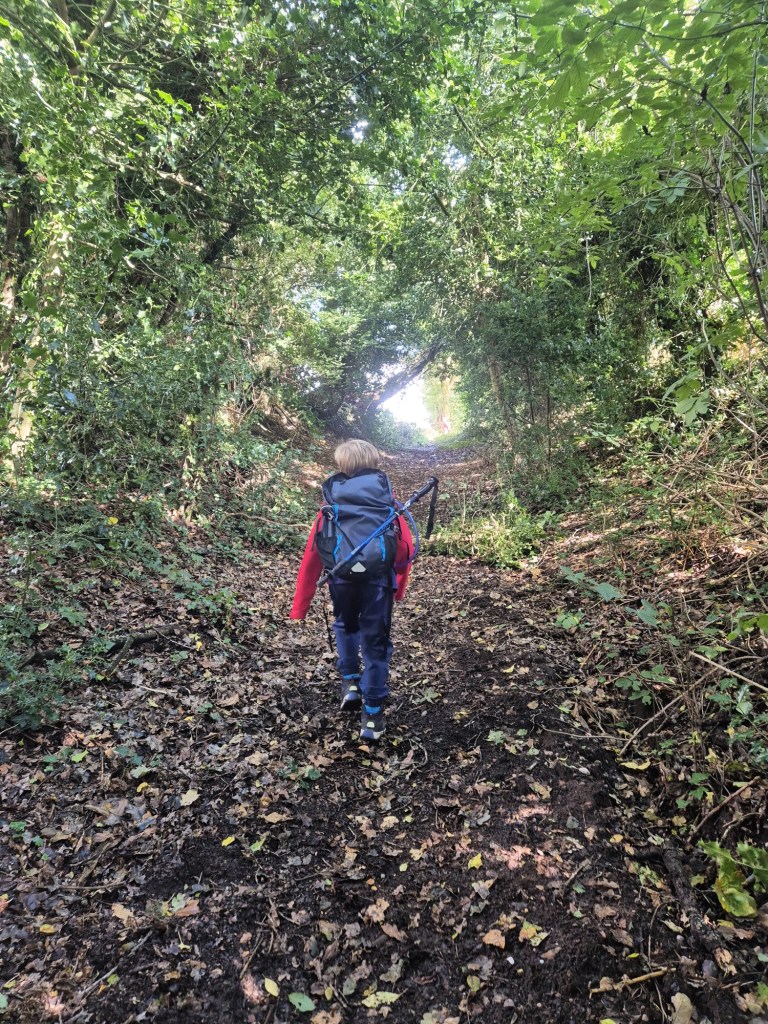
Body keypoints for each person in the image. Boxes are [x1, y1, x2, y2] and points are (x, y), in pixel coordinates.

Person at [290, 440, 414, 741]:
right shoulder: (387, 505)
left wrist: (300, 606)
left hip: (341, 581)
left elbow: (313, 555)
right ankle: (372, 716)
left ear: (341, 466)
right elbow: (405, 550)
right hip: (377, 584)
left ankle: (350, 682)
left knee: (345, 626)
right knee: (376, 643)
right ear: (374, 464)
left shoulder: (331, 507)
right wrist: (398, 588)